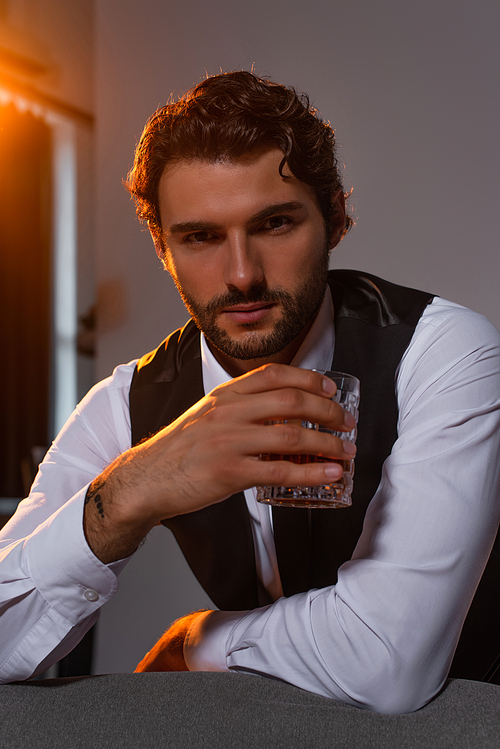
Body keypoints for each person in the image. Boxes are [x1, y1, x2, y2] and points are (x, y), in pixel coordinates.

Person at [1, 71, 500, 714]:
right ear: (162, 246)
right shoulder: (127, 403)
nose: (241, 276)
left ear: (337, 219)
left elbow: (388, 662)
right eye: (201, 237)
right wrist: (128, 493)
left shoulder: (445, 353)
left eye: (275, 223)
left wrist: (198, 638)